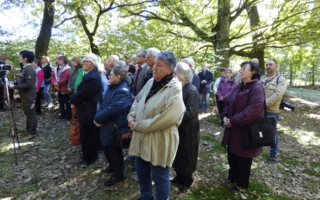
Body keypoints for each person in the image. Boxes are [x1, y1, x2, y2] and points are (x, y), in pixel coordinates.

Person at [128, 51, 185, 200]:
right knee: (142, 172)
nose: (154, 68)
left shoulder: (175, 89)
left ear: (170, 69)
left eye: (159, 66)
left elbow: (168, 117)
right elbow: (138, 101)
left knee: (160, 177)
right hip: (141, 136)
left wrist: (138, 125)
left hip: (160, 139)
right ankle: (146, 197)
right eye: (154, 65)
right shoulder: (150, 82)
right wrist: (131, 117)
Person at [221, 61, 264, 192]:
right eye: (241, 68)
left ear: (253, 72)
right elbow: (228, 102)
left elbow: (252, 111)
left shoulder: (257, 88)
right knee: (232, 154)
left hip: (246, 130)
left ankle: (242, 184)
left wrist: (233, 121)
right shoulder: (238, 86)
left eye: (244, 69)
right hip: (233, 128)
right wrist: (225, 115)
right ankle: (233, 177)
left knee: (244, 157)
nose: (241, 71)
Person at [94, 66, 132, 186]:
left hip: (116, 126)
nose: (108, 76)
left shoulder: (123, 91)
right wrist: (98, 117)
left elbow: (113, 109)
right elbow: (104, 104)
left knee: (114, 150)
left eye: (111, 74)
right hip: (107, 123)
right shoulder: (113, 87)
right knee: (106, 147)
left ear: (118, 77)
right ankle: (112, 166)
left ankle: (118, 174)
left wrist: (98, 118)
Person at [70, 53, 102, 167]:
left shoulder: (92, 77)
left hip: (88, 110)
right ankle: (89, 155)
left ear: (92, 63)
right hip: (86, 109)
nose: (83, 63)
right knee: (87, 134)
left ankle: (89, 158)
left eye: (85, 62)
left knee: (88, 135)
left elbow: (83, 94)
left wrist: (72, 98)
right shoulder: (90, 74)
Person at [172, 62, 200, 193]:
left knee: (187, 154)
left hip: (188, 130)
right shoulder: (180, 87)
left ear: (182, 75)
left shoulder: (192, 90)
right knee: (178, 153)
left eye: (176, 73)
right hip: (179, 128)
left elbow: (190, 113)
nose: (174, 75)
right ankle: (179, 175)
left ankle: (186, 180)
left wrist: (173, 117)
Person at [260, 59, 287, 163]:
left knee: (272, 133)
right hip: (260, 110)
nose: (268, 66)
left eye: (270, 65)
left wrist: (263, 104)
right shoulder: (262, 78)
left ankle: (273, 154)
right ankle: (259, 149)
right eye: (267, 65)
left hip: (272, 110)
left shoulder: (280, 79)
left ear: (276, 66)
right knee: (259, 130)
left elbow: (278, 95)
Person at [9, 50, 37, 137]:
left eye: (20, 56)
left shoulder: (29, 69)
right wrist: (14, 83)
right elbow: (22, 82)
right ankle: (28, 130)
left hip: (29, 95)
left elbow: (29, 84)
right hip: (25, 95)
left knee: (31, 114)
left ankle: (32, 132)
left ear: (25, 58)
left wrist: (14, 87)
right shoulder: (25, 68)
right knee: (27, 113)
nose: (19, 58)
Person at [52, 56, 72, 120]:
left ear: (64, 61)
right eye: (58, 59)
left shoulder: (68, 69)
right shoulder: (56, 68)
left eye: (60, 60)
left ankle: (68, 115)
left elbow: (65, 79)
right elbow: (52, 76)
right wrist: (55, 83)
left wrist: (57, 84)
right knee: (60, 101)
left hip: (64, 88)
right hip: (58, 88)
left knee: (66, 102)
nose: (58, 61)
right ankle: (62, 114)